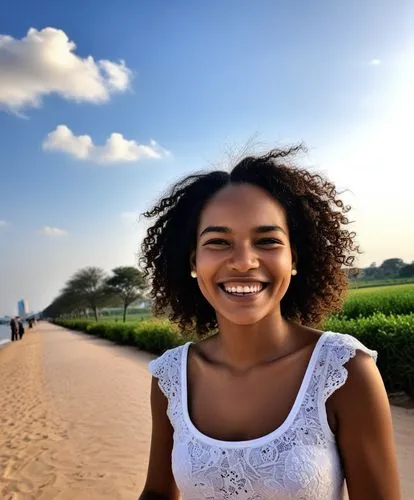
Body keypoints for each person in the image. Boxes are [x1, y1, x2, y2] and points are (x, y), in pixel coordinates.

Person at [138, 147, 401, 500]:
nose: (244, 261)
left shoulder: (342, 371)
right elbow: (157, 492)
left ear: (293, 258)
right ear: (193, 262)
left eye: (267, 241)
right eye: (218, 242)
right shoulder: (171, 377)